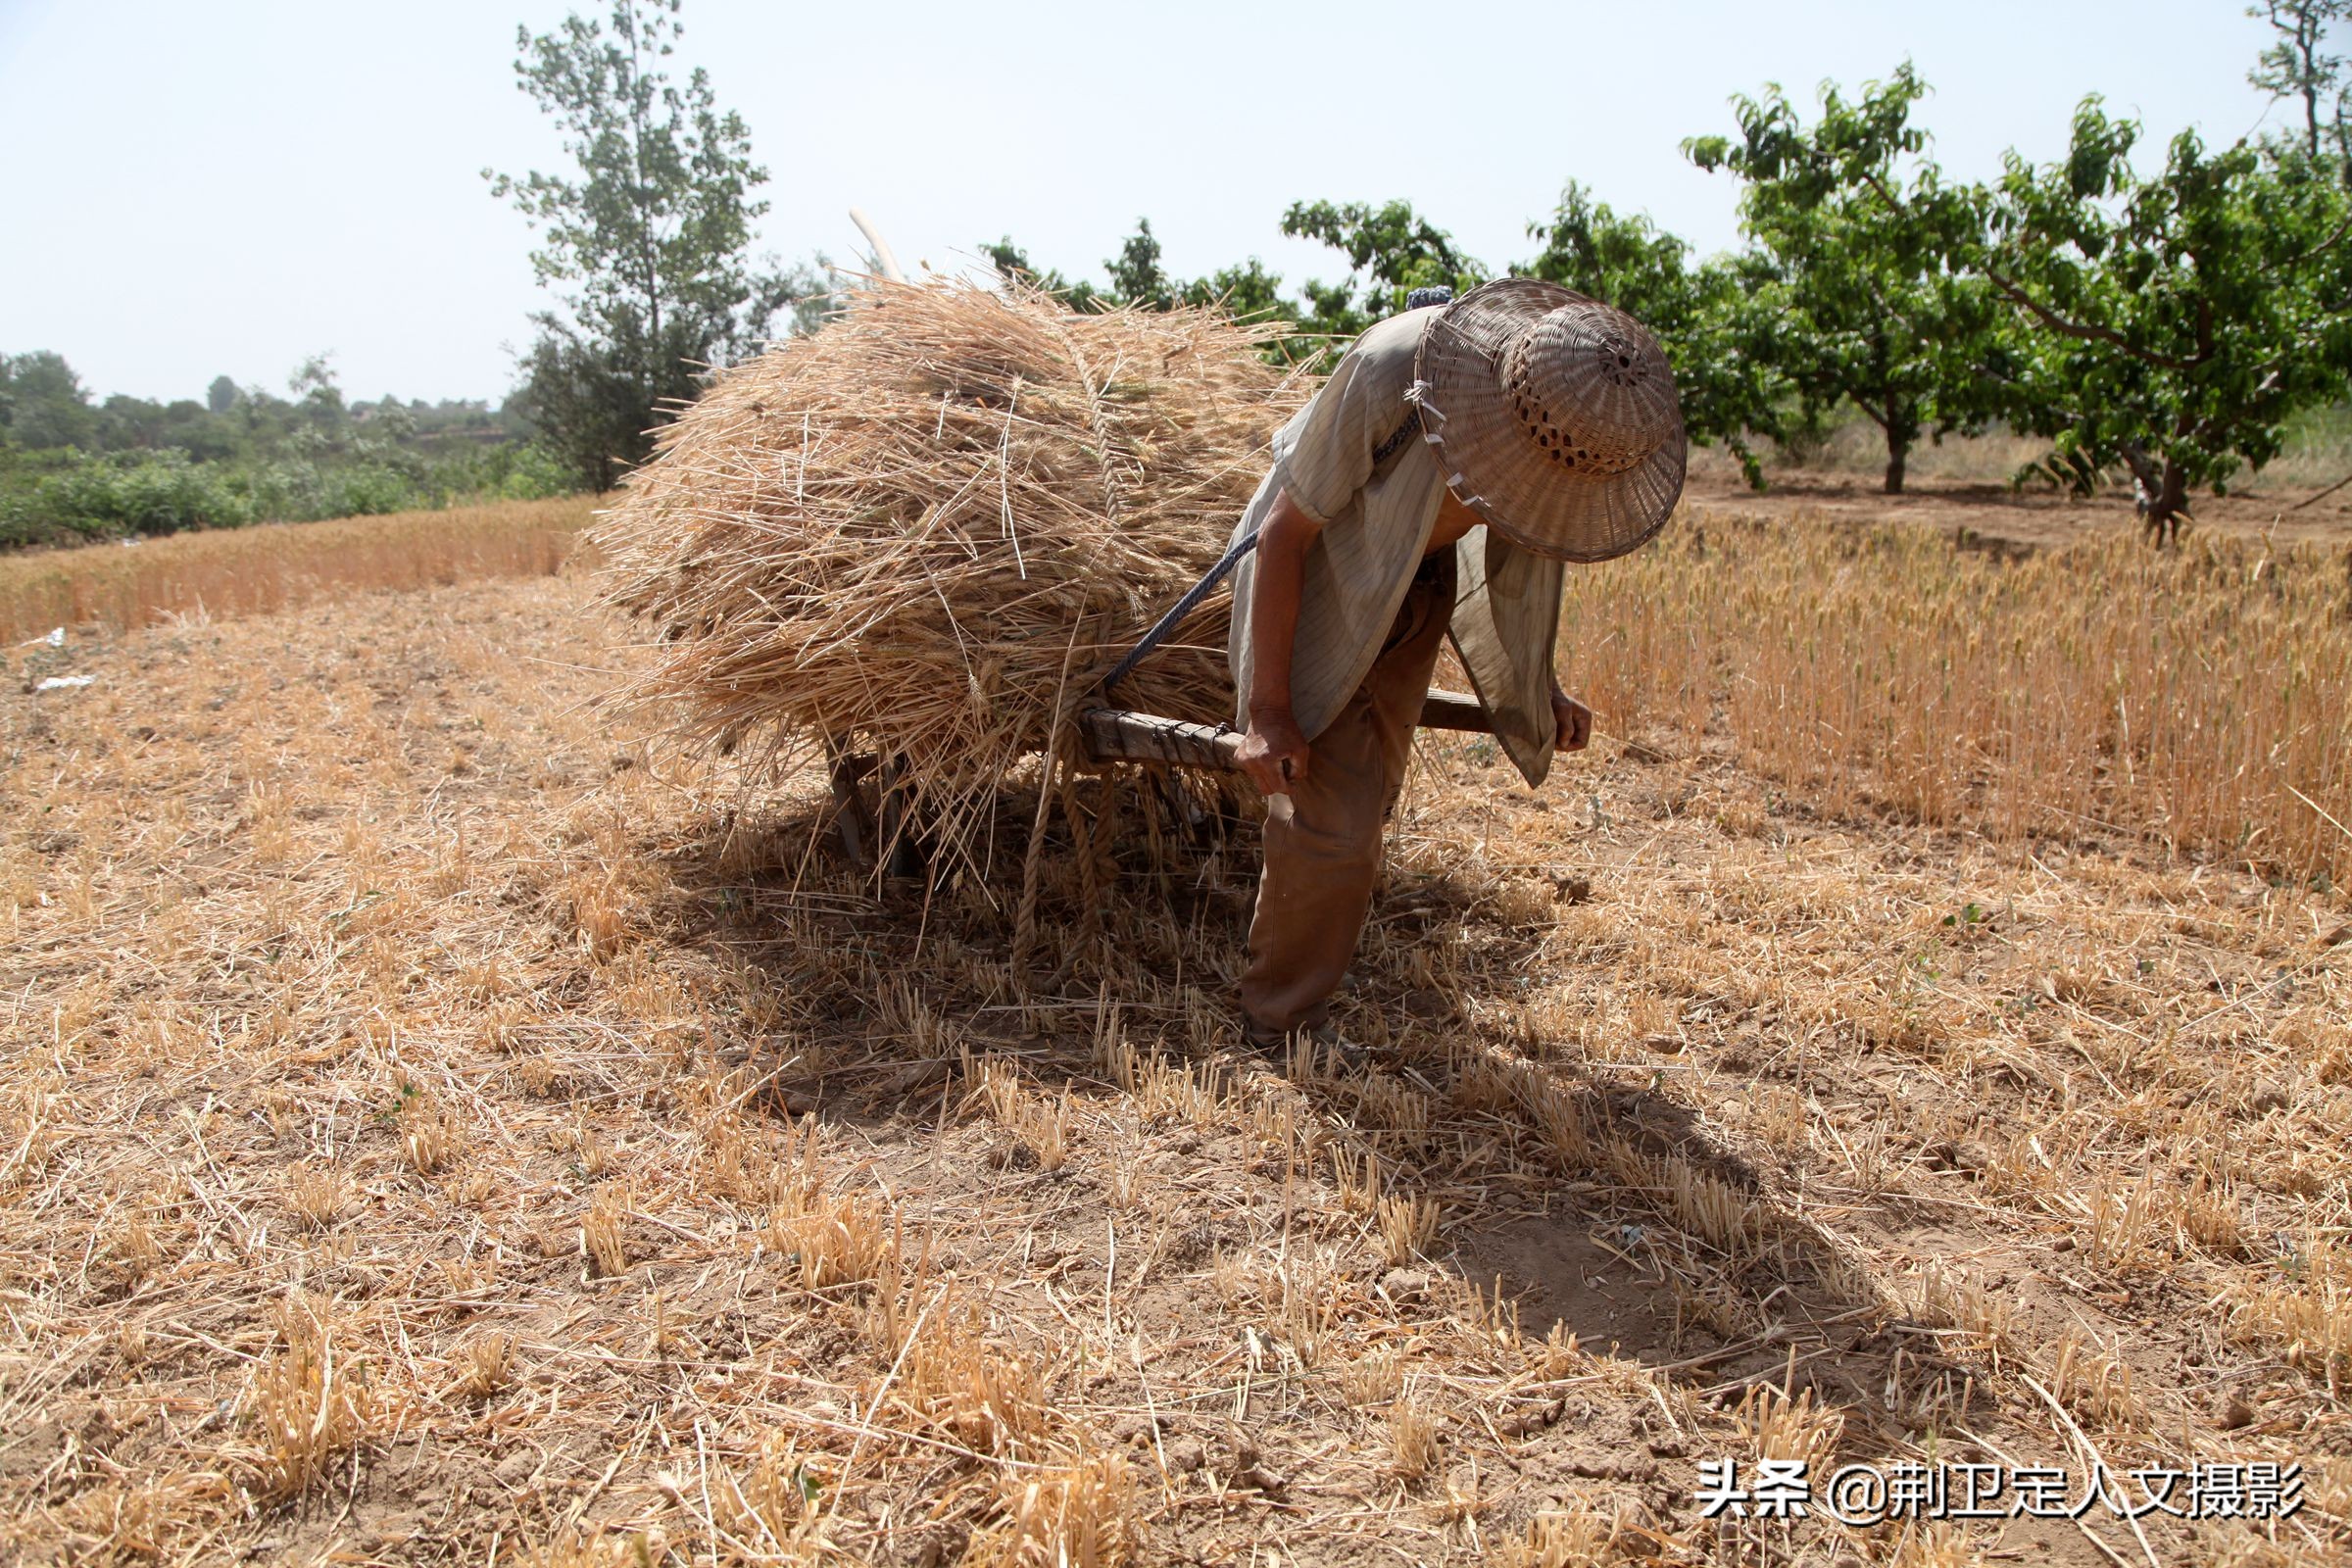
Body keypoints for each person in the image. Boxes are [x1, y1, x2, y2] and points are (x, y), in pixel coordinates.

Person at [1226, 278, 1686, 1050]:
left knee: (1373, 799)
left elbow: (1522, 572)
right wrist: (1268, 713)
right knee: (1330, 819)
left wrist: (1542, 685)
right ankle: (1279, 1020)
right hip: (1325, 569)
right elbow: (1284, 535)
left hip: (1419, 577)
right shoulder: (1392, 373)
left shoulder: (1571, 432)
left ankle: (1320, 932)